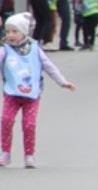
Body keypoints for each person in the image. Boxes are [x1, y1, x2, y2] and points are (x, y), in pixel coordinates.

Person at [2, 13, 73, 167]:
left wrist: (62, 81)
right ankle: (5, 153)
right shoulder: (4, 49)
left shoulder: (34, 48)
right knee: (6, 121)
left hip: (32, 95)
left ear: (24, 32)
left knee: (29, 124)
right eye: (7, 32)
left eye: (15, 31)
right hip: (11, 94)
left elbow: (48, 66)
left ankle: (29, 155)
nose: (10, 35)